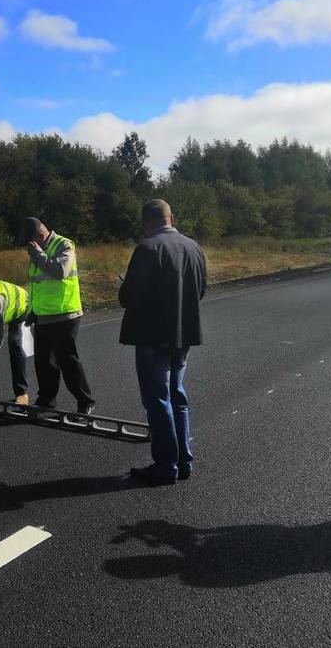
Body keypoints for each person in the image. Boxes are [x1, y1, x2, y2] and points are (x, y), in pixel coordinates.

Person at [119, 199, 207, 485]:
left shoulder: (147, 248)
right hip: (183, 334)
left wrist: (124, 287)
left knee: (158, 400)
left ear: (146, 222)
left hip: (152, 336)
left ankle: (166, 464)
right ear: (172, 217)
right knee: (177, 396)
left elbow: (130, 297)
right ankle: (184, 461)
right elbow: (201, 290)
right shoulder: (194, 247)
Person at [17, 217, 95, 415]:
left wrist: (39, 255)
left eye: (30, 241)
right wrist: (33, 310)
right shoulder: (38, 251)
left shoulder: (64, 244)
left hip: (65, 314)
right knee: (43, 362)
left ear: (39, 235)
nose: (28, 246)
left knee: (67, 360)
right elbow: (39, 285)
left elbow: (60, 271)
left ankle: (85, 400)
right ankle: (46, 401)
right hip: (43, 316)